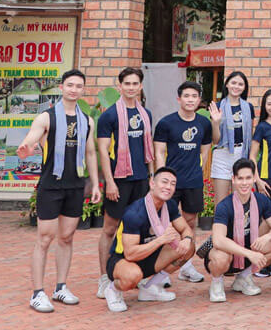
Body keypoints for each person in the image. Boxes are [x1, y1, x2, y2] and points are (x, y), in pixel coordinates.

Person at [16, 69, 101, 312]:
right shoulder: (47, 117)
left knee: (67, 238)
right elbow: (31, 138)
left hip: (75, 185)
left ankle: (60, 287)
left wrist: (94, 184)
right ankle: (37, 292)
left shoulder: (87, 120)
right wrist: (26, 147)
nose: (74, 89)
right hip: (51, 185)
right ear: (61, 87)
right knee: (44, 238)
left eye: (79, 86)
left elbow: (90, 153)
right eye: (70, 85)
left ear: (83, 90)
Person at [95, 67, 156, 300]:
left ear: (140, 86)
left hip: (141, 179)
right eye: (127, 83)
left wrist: (152, 177)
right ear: (119, 86)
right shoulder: (109, 115)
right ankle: (103, 278)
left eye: (135, 83)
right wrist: (109, 182)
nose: (131, 87)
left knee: (138, 231)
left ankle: (138, 274)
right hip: (119, 181)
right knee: (110, 229)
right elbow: (102, 150)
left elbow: (146, 147)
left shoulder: (145, 114)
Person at [100, 167, 196, 312]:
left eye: (172, 184)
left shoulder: (168, 205)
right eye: (164, 182)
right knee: (133, 276)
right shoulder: (135, 213)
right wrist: (161, 240)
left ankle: (149, 288)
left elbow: (185, 229)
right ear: (152, 183)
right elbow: (130, 254)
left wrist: (187, 239)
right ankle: (112, 290)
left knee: (188, 248)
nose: (168, 187)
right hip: (122, 260)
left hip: (149, 255)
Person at [153, 80, 214, 284]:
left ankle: (185, 266)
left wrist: (195, 169)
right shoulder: (166, 123)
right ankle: (161, 269)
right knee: (166, 225)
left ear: (199, 100)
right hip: (170, 184)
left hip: (193, 181)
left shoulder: (204, 123)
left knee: (190, 223)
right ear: (179, 99)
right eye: (186, 96)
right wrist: (162, 179)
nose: (190, 100)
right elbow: (159, 152)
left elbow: (205, 151)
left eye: (194, 96)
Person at [201, 158, 271, 302]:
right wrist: (250, 254)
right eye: (240, 178)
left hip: (247, 251)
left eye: (248, 178)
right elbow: (218, 240)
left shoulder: (261, 200)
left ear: (254, 178)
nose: (244, 183)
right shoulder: (224, 206)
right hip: (226, 254)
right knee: (221, 256)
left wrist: (266, 237)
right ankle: (216, 283)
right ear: (233, 179)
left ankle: (243, 277)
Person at [209, 71, 254, 205]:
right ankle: (221, 226)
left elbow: (249, 137)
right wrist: (216, 122)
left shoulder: (248, 107)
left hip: (241, 154)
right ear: (227, 84)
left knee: (240, 201)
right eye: (233, 82)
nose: (237, 86)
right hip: (222, 154)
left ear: (244, 87)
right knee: (221, 202)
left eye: (240, 84)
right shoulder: (217, 107)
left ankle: (238, 227)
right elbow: (215, 140)